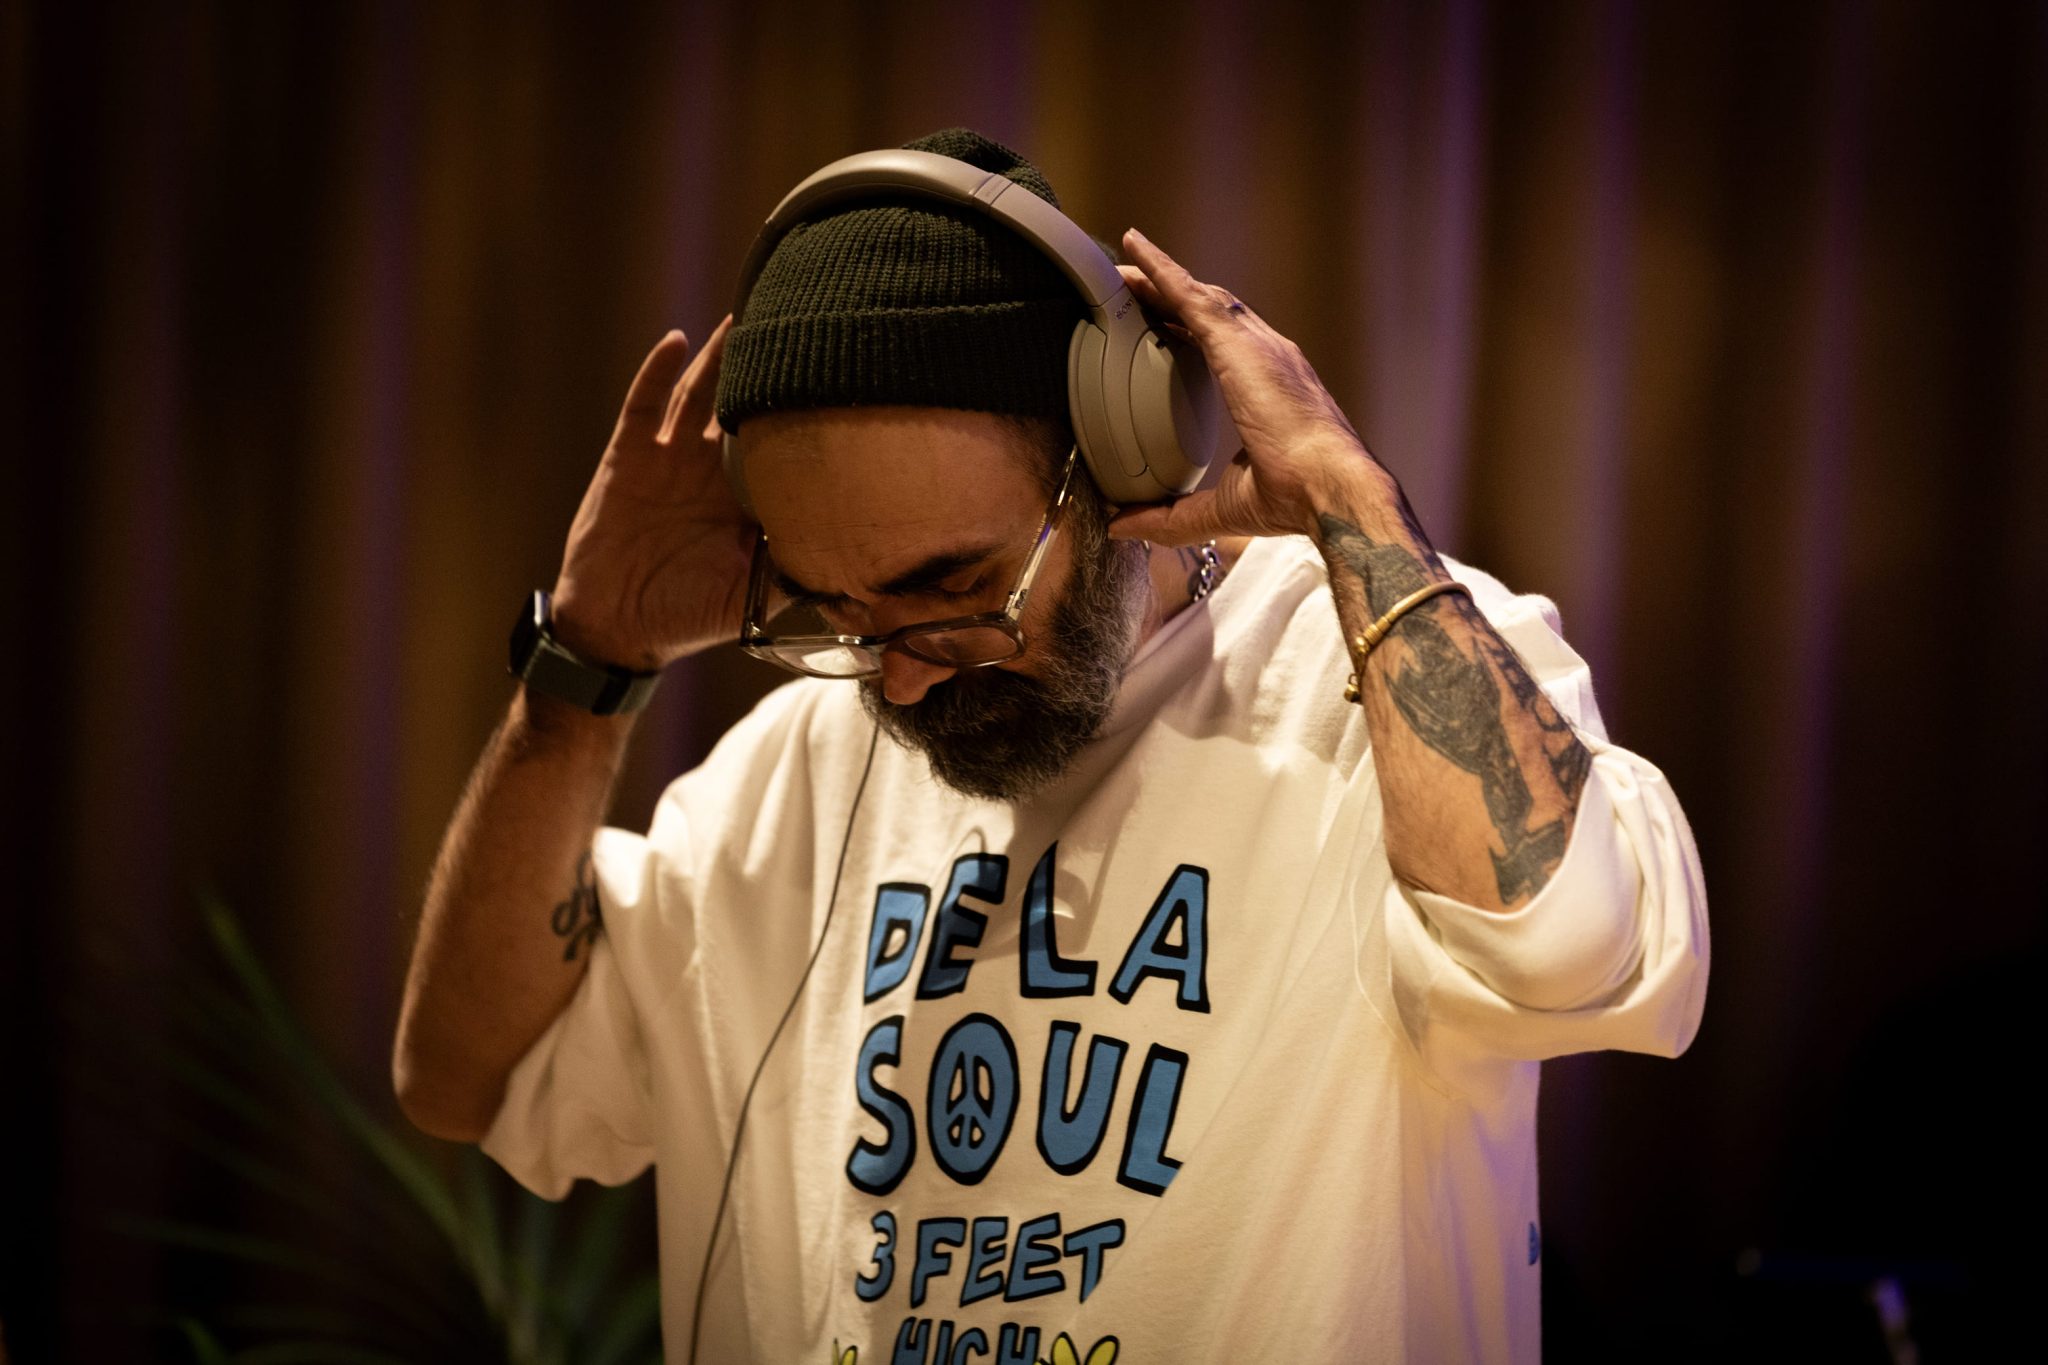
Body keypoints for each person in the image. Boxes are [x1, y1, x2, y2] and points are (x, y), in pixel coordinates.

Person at [393, 129, 1709, 1365]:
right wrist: (585, 667)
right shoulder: (783, 778)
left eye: (954, 587)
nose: (903, 673)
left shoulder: (1374, 684)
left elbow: (1570, 952)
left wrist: (1351, 506)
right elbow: (468, 1080)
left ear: (1121, 454)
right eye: (838, 609)